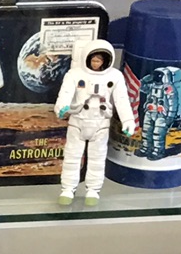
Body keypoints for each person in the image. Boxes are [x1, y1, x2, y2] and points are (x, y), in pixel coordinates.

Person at [54, 42, 135, 205]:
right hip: (78, 121)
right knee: (71, 158)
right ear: (87, 58)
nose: (96, 63)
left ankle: (93, 190)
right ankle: (68, 189)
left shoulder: (114, 76)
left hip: (101, 123)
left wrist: (127, 120)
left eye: (99, 61)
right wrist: (61, 108)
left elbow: (121, 100)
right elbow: (65, 94)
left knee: (97, 160)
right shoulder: (75, 74)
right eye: (94, 60)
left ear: (106, 61)